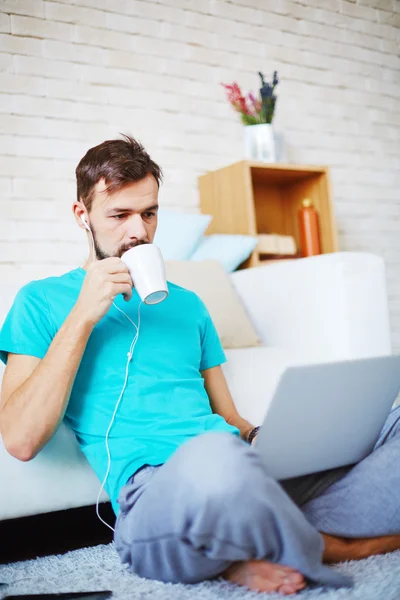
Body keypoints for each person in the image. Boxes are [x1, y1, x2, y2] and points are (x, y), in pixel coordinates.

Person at [1, 135, 400, 596]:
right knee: (215, 456)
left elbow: (229, 419)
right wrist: (84, 314)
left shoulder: (189, 305)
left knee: (242, 447)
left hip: (243, 470)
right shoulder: (41, 301)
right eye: (119, 215)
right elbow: (20, 439)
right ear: (81, 216)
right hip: (160, 491)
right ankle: (328, 544)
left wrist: (266, 438)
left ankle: (262, 536)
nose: (138, 232)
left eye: (149, 213)